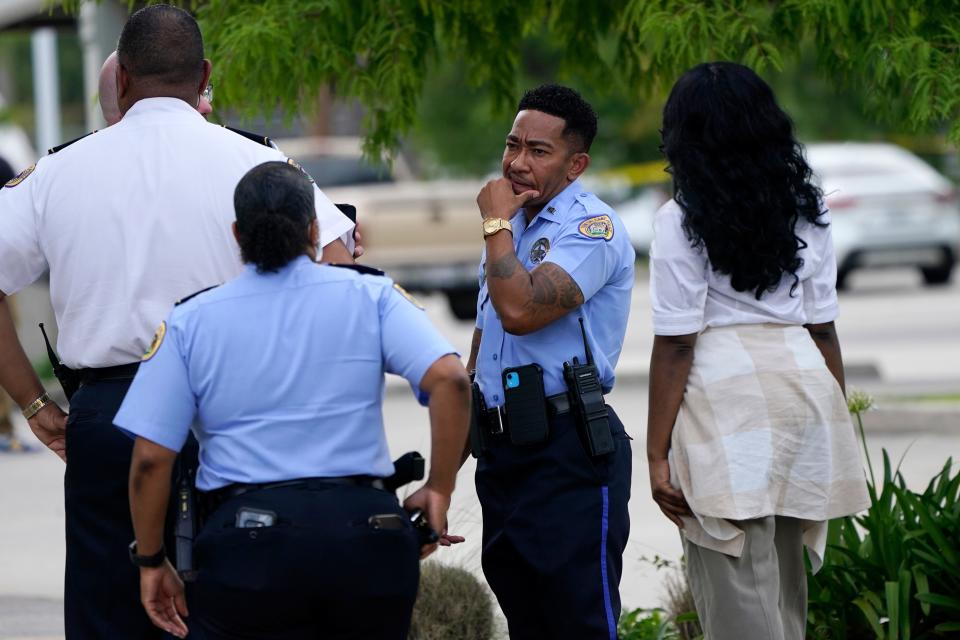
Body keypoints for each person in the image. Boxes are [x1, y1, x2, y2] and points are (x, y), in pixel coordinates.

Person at [0, 5, 356, 638]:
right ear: (204, 76)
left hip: (111, 415)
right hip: (238, 410)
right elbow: (336, 259)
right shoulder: (257, 163)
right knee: (239, 605)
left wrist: (32, 405)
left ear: (124, 79)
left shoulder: (55, 173)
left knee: (111, 614)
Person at [114, 161, 470, 639]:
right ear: (315, 230)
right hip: (367, 536)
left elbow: (151, 461)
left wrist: (151, 559)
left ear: (238, 235)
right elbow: (450, 379)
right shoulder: (372, 296)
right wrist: (439, 487)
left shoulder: (191, 321)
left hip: (249, 551)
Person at [647, 61, 870, 640]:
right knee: (785, 594)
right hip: (803, 386)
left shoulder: (679, 219)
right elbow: (824, 329)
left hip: (724, 398)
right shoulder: (808, 211)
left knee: (736, 589)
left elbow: (675, 343)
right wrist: (833, 421)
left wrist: (654, 454)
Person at [468, 84, 635, 639]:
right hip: (504, 453)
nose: (517, 163)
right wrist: (447, 473)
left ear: (576, 163)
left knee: (578, 622)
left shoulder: (592, 228)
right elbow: (485, 340)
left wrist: (494, 227)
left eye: (538, 151)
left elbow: (520, 310)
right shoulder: (511, 223)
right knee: (527, 621)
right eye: (512, 144)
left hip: (568, 452)